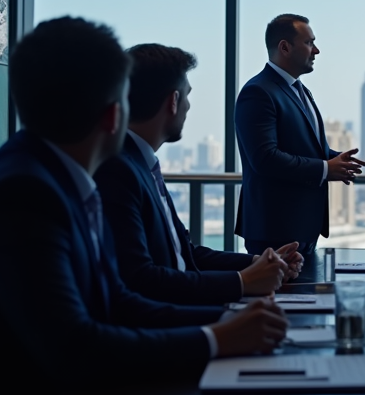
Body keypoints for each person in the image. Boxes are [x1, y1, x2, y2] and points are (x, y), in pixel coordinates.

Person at [0, 18, 287, 395]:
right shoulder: (22, 195)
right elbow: (77, 349)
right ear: (114, 113)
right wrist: (217, 338)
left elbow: (115, 301)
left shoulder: (53, 179)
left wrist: (225, 321)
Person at [96, 43, 304, 307]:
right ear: (173, 101)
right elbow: (141, 279)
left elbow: (184, 254)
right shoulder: (121, 171)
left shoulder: (139, 162)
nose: (189, 106)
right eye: (187, 96)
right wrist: (243, 282)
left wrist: (259, 262)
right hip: (173, 322)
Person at [234, 14, 365, 256]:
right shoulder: (258, 92)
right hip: (273, 230)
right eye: (309, 43)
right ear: (285, 47)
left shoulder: (300, 90)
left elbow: (308, 148)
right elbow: (265, 159)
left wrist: (338, 159)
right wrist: (326, 168)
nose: (316, 50)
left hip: (303, 228)